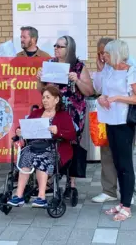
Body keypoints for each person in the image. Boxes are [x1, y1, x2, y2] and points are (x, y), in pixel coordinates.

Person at [93, 40, 136, 221]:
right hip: (110, 120)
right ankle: (122, 202)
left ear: (115, 53)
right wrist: (102, 98)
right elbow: (101, 90)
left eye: (106, 54)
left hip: (124, 122)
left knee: (125, 165)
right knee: (116, 162)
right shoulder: (110, 70)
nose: (103, 56)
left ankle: (127, 206)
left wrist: (118, 98)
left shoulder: (131, 71)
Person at [36, 35, 93, 200]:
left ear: (69, 48)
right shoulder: (51, 65)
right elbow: (42, 90)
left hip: (73, 112)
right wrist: (39, 80)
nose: (56, 48)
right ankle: (51, 178)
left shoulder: (78, 66)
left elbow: (89, 91)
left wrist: (78, 81)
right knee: (52, 141)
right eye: (55, 45)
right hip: (55, 110)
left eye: (60, 46)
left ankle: (71, 183)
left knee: (71, 144)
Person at [7, 85, 76, 207]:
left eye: (48, 97)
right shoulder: (36, 113)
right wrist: (19, 131)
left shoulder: (63, 115)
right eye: (43, 97)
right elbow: (24, 127)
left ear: (56, 100)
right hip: (34, 147)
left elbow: (71, 135)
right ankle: (18, 196)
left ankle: (41, 197)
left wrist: (58, 131)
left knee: (41, 159)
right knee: (25, 157)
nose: (44, 100)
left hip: (54, 148)